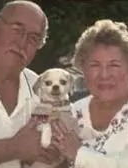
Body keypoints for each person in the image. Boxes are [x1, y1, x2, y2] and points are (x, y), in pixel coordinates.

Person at [0, 1, 59, 168]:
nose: (22, 43)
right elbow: (22, 149)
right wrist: (14, 148)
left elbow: (46, 155)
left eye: (33, 38)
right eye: (17, 30)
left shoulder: (40, 88)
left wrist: (52, 152)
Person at [51, 19, 128, 168]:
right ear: (83, 69)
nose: (104, 75)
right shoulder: (70, 113)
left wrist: (78, 153)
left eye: (114, 65)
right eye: (95, 65)